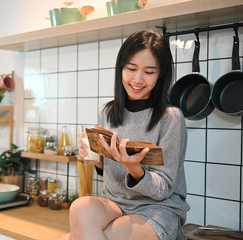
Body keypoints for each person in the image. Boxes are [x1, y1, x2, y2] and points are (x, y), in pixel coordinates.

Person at [60, 29, 190, 240]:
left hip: (157, 210)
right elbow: (108, 172)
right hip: (114, 203)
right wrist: (98, 159)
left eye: (149, 72)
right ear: (121, 68)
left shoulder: (171, 118)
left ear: (161, 75)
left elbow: (164, 189)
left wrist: (135, 170)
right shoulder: (107, 112)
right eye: (131, 69)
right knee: (79, 207)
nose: (138, 79)